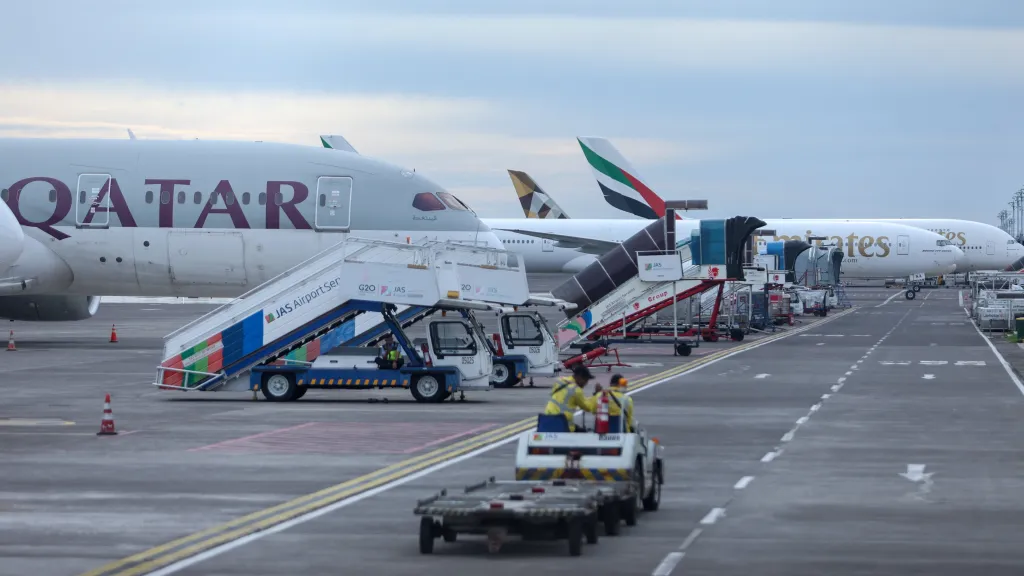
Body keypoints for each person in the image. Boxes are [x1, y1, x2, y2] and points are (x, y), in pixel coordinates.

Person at [544, 364, 601, 432]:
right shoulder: (576, 390)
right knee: (583, 432)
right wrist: (596, 394)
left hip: (547, 419)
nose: (586, 383)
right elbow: (588, 407)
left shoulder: (560, 381)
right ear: (579, 377)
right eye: (585, 380)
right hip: (562, 424)